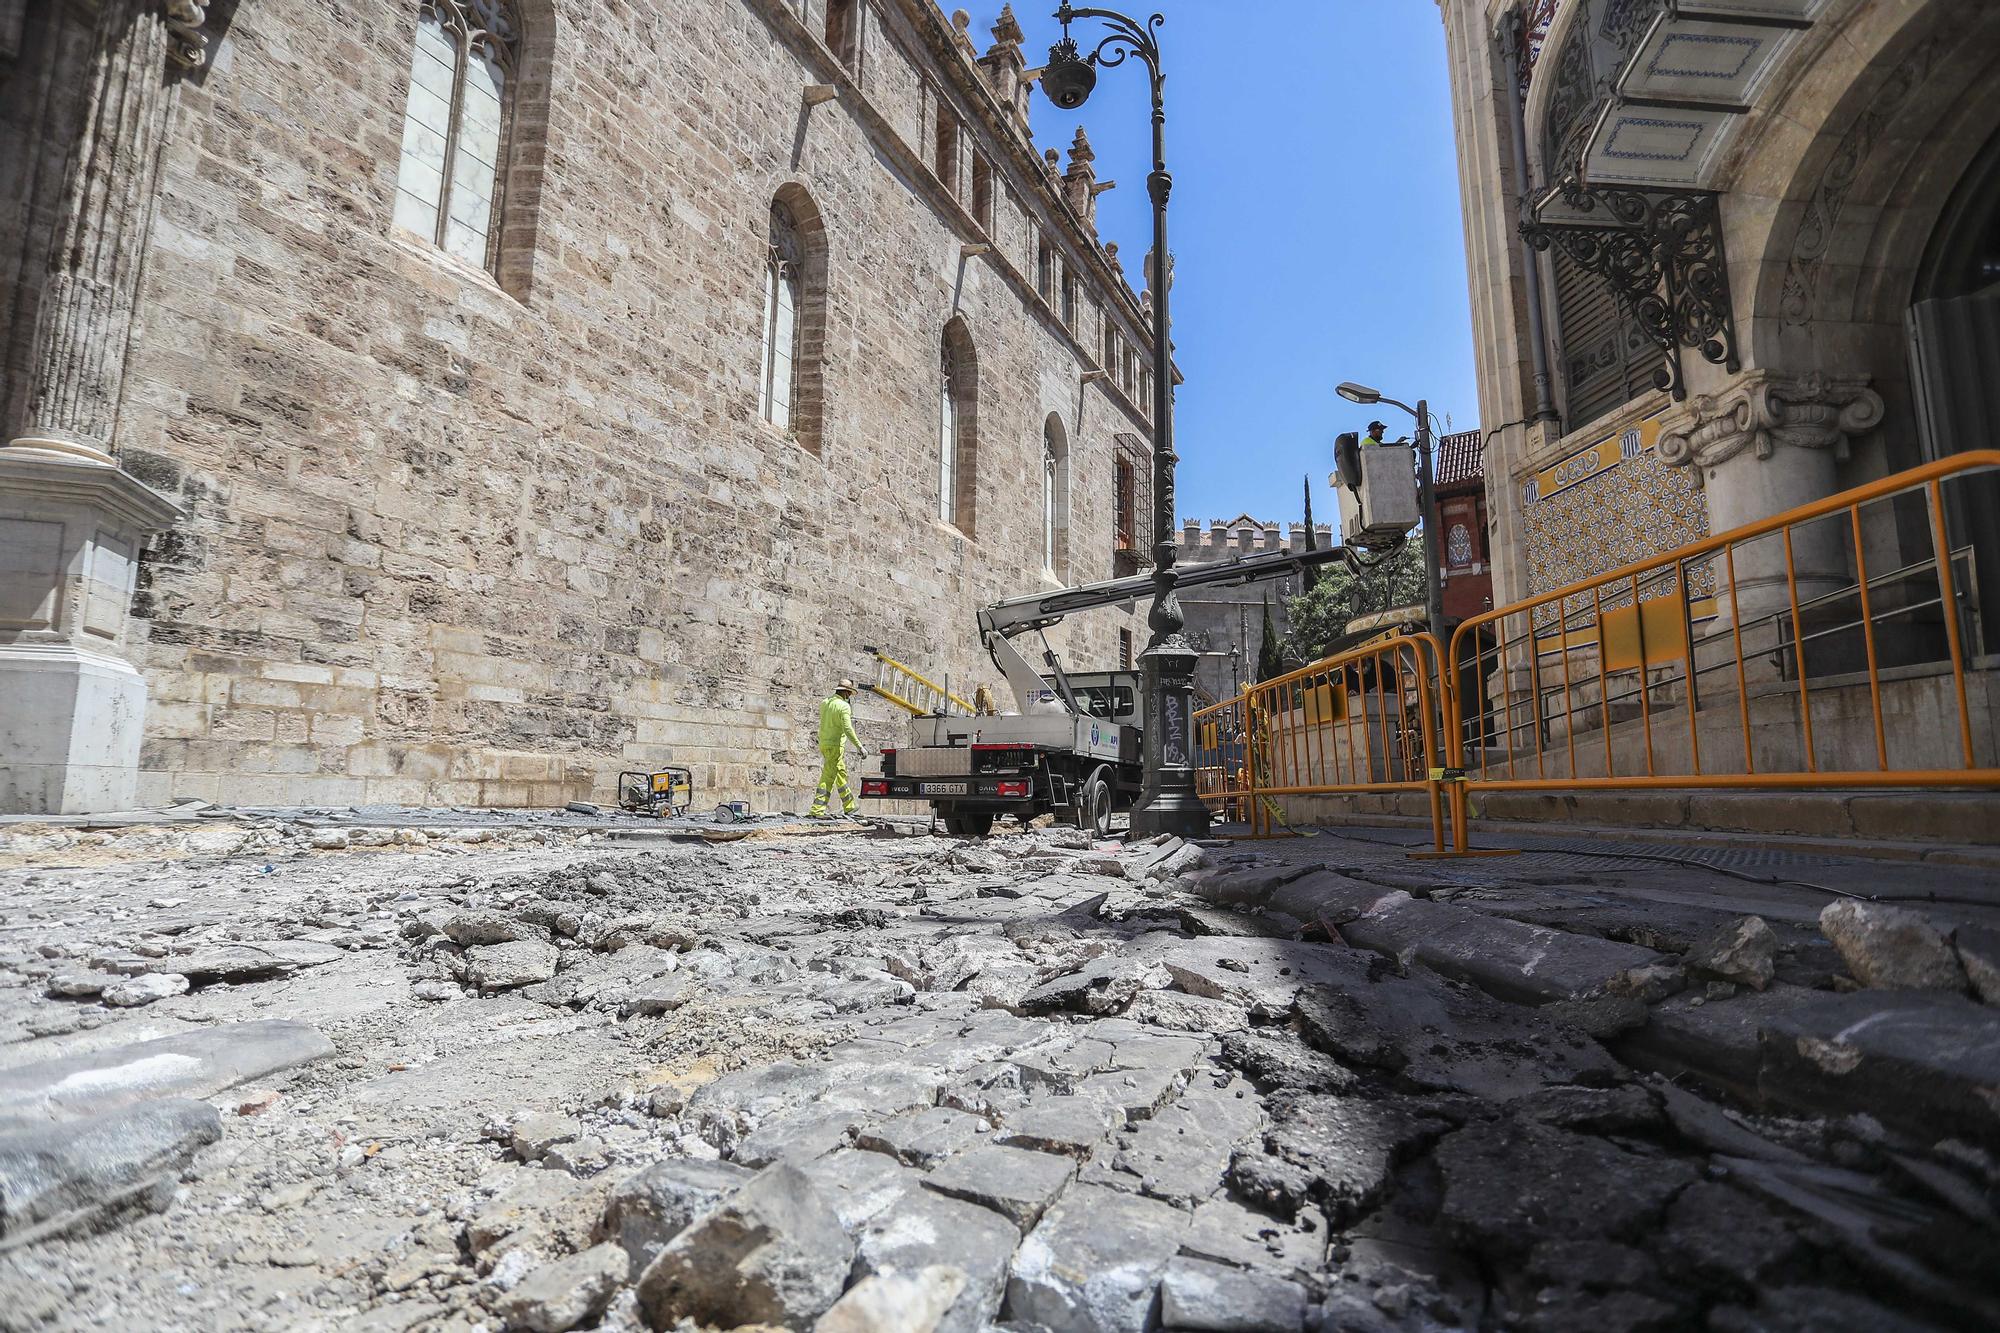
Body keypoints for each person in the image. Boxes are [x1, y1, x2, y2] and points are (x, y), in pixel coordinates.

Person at [810, 679, 865, 818]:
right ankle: (817, 810)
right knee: (828, 777)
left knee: (840, 773)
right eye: (850, 693)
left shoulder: (825, 703)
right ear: (846, 692)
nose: (850, 696)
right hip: (835, 746)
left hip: (824, 743)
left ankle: (850, 806)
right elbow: (847, 728)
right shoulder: (844, 706)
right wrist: (859, 746)